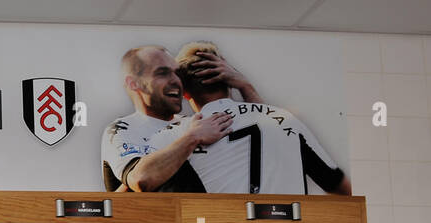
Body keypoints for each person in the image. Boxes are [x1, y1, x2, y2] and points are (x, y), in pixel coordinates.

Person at [172, 41, 350, 196]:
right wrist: (247, 86)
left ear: (185, 92)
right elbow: (339, 186)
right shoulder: (284, 120)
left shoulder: (179, 136)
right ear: (229, 78)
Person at [101, 45, 259, 193]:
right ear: (133, 83)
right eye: (162, 73)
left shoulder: (196, 122)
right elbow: (139, 180)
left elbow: (263, 132)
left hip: (208, 217)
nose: (176, 81)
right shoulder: (123, 128)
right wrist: (192, 138)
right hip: (159, 220)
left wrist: (246, 87)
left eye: (177, 73)